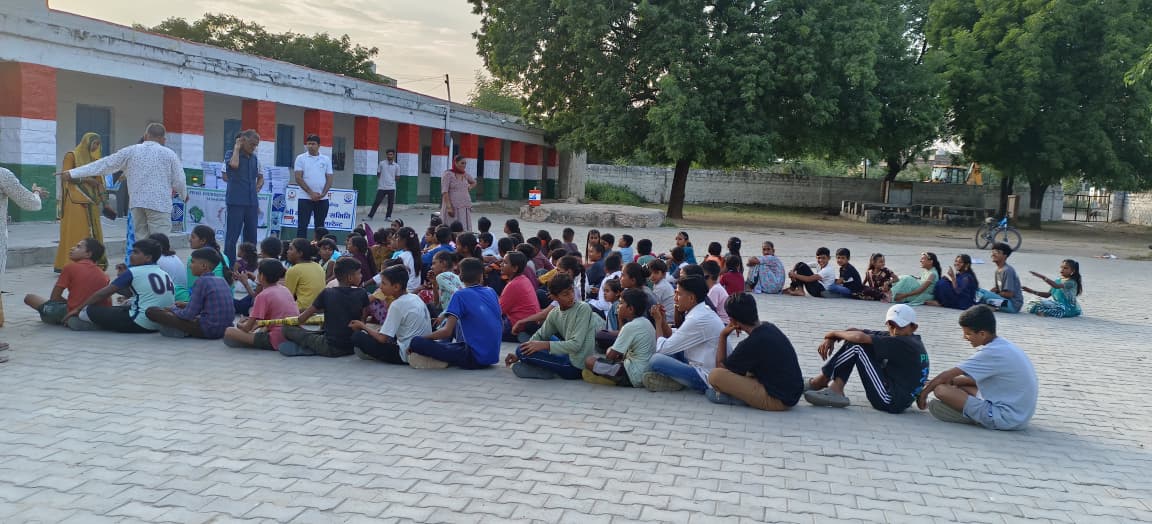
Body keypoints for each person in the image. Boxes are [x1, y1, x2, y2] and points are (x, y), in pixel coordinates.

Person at [58, 123, 188, 239]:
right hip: (159, 204)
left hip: (137, 203)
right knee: (160, 241)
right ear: (163, 139)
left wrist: (72, 172)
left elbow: (105, 164)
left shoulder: (131, 151)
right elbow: (179, 181)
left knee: (141, 242)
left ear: (145, 136)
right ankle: (157, 259)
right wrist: (184, 195)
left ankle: (143, 259)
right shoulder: (170, 154)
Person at [918, 305, 1037, 429]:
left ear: (982, 334)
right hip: (1020, 416)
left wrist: (924, 394)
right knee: (957, 383)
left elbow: (948, 374)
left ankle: (971, 417)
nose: (965, 338)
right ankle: (970, 410)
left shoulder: (991, 353)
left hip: (1004, 418)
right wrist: (952, 381)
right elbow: (967, 379)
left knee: (941, 390)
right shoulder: (1003, 345)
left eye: (968, 334)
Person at [803, 304, 929, 413]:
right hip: (900, 398)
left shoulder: (903, 343)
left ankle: (822, 381)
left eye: (900, 327)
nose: (895, 331)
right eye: (891, 325)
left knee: (858, 346)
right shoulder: (907, 339)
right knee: (858, 341)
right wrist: (831, 339)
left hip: (890, 400)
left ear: (914, 327)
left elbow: (859, 338)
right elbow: (855, 331)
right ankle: (834, 387)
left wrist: (832, 333)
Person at [705, 293, 804, 411]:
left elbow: (721, 368)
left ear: (733, 321)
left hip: (777, 400)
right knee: (744, 369)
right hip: (792, 393)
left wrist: (723, 336)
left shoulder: (751, 343)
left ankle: (739, 399)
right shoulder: (769, 327)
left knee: (715, 376)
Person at [406, 258, 502, 369]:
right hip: (492, 356)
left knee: (416, 342)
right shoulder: (491, 291)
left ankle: (440, 358)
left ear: (460, 277)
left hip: (473, 358)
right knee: (453, 332)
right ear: (481, 276)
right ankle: (444, 354)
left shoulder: (460, 295)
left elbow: (446, 332)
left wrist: (423, 338)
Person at [63, 239, 175, 334]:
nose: (131, 256)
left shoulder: (133, 271)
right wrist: (122, 277)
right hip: (158, 324)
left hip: (139, 323)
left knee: (87, 310)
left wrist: (78, 309)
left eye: (136, 253)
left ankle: (92, 326)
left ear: (148, 257)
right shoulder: (163, 272)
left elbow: (103, 293)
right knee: (121, 307)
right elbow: (132, 292)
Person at [505, 274, 599, 380]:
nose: (571, 296)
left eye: (572, 291)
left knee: (524, 350)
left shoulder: (583, 308)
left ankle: (542, 368)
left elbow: (576, 345)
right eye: (565, 294)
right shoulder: (555, 313)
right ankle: (539, 365)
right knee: (522, 349)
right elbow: (541, 335)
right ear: (554, 297)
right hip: (567, 354)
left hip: (575, 365)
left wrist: (543, 345)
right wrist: (518, 355)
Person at [644, 276, 725, 393]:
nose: (675, 298)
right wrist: (662, 320)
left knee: (655, 360)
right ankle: (676, 379)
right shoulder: (701, 310)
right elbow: (673, 336)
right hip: (696, 362)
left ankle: (678, 382)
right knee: (671, 351)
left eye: (678, 294)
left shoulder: (697, 318)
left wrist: (657, 321)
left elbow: (661, 350)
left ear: (691, 298)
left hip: (705, 377)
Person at [281, 257, 369, 357]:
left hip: (331, 347)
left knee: (287, 328)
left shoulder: (327, 293)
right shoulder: (362, 293)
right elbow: (363, 319)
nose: (361, 276)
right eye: (359, 273)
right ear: (350, 278)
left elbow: (302, 319)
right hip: (353, 346)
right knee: (319, 332)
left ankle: (307, 346)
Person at [54, 132, 114, 271]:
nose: (96, 146)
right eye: (95, 143)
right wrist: (86, 179)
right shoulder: (71, 156)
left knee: (91, 233)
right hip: (75, 201)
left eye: (98, 144)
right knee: (77, 231)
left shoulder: (95, 161)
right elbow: (65, 176)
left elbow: (99, 184)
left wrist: (106, 204)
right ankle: (71, 264)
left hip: (91, 202)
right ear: (87, 142)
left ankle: (91, 263)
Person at [351, 265, 431, 364]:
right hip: (420, 347)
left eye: (384, 283)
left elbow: (382, 339)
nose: (380, 287)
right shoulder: (414, 297)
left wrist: (363, 326)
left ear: (396, 287)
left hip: (406, 353)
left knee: (357, 336)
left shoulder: (397, 304)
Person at [146, 248, 233, 339]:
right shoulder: (221, 280)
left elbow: (187, 315)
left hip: (208, 330)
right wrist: (186, 304)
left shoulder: (201, 281)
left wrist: (173, 309)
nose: (190, 266)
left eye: (193, 262)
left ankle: (182, 331)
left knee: (152, 311)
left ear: (204, 266)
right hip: (225, 329)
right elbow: (210, 306)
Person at [25, 238, 110, 329]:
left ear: (88, 254)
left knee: (30, 298)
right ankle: (89, 322)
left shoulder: (70, 268)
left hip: (74, 312)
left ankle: (72, 319)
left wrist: (71, 305)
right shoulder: (104, 275)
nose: (72, 248)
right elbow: (107, 302)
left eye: (78, 247)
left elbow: (54, 298)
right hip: (95, 313)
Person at [584, 288, 656, 387]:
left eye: (621, 303)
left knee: (589, 361)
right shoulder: (645, 322)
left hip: (633, 375)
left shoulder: (631, 326)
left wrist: (610, 351)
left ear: (630, 309)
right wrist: (620, 318)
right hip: (642, 370)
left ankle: (607, 378)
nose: (618, 306)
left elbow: (610, 357)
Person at [223, 260, 298, 351]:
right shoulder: (285, 289)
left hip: (277, 338)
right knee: (257, 327)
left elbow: (247, 328)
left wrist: (239, 323)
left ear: (261, 276)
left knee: (229, 331)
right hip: (293, 334)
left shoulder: (262, 295)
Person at [222, 130, 264, 265]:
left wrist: (258, 186)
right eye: (252, 144)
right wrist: (236, 148)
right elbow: (234, 165)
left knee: (251, 236)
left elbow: (260, 177)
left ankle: (249, 264)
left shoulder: (254, 158)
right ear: (243, 141)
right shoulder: (231, 154)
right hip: (236, 201)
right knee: (232, 236)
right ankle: (229, 265)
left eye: (256, 145)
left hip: (252, 202)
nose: (254, 147)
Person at [293, 134, 334, 238]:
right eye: (308, 144)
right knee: (302, 225)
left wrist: (323, 194)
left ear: (319, 145)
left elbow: (329, 178)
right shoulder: (300, 158)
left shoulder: (326, 159)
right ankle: (300, 246)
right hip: (305, 197)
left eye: (313, 144)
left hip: (322, 198)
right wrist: (311, 193)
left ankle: (319, 246)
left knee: (320, 227)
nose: (310, 146)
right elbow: (298, 177)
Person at [500, 251, 542, 342]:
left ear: (515, 268)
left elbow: (499, 310)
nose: (501, 264)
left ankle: (521, 335)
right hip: (529, 322)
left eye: (505, 263)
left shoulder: (513, 285)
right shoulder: (523, 279)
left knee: (487, 329)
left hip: (517, 325)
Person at [975, 243, 1023, 313]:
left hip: (1012, 305)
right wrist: (992, 292)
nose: (993, 254)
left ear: (1005, 256)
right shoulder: (998, 270)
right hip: (1004, 301)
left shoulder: (1007, 270)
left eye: (997, 252)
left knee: (980, 294)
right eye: (993, 252)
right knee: (979, 292)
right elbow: (998, 289)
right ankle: (991, 307)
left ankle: (990, 306)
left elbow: (1009, 294)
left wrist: (992, 295)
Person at [285, 238, 326, 311]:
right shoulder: (318, 266)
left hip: (302, 310)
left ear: (300, 253)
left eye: (291, 249)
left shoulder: (294, 270)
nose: (287, 251)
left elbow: (288, 296)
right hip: (320, 309)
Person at [441, 155, 477, 231]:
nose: (464, 165)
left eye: (465, 163)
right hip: (453, 206)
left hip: (464, 206)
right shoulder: (448, 174)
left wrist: (469, 187)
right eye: (462, 163)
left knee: (463, 227)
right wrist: (449, 207)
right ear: (456, 163)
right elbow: (445, 191)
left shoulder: (465, 174)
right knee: (452, 227)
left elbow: (474, 182)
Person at [369, 149, 398, 220]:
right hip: (382, 187)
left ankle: (388, 217)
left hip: (391, 187)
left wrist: (391, 180)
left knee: (390, 203)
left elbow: (397, 177)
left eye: (391, 154)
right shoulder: (381, 163)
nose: (389, 156)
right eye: (388, 154)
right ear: (386, 155)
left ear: (393, 155)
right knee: (377, 202)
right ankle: (370, 216)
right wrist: (383, 180)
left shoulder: (396, 166)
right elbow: (378, 174)